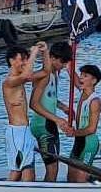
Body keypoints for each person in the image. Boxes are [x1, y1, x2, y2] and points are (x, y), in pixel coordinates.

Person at [30, 41, 74, 182]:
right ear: (52, 58)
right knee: (52, 168)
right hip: (42, 126)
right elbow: (34, 104)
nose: (63, 66)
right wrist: (58, 119)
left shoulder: (55, 74)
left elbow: (50, 97)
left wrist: (63, 107)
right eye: (62, 62)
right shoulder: (45, 76)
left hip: (50, 124)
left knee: (55, 167)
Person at [2, 43, 46, 182]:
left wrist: (44, 52)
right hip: (17, 132)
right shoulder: (9, 82)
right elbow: (27, 75)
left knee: (28, 169)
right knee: (18, 170)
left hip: (25, 131)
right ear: (12, 61)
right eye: (23, 59)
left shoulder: (21, 80)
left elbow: (46, 72)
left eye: (27, 60)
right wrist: (33, 53)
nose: (26, 63)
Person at [66, 65, 101, 182]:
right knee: (71, 179)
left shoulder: (95, 101)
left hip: (89, 143)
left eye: (85, 76)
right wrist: (69, 66)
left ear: (94, 81)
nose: (81, 77)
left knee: (81, 179)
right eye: (81, 75)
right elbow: (74, 78)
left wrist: (74, 133)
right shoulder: (83, 91)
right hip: (78, 142)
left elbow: (92, 129)